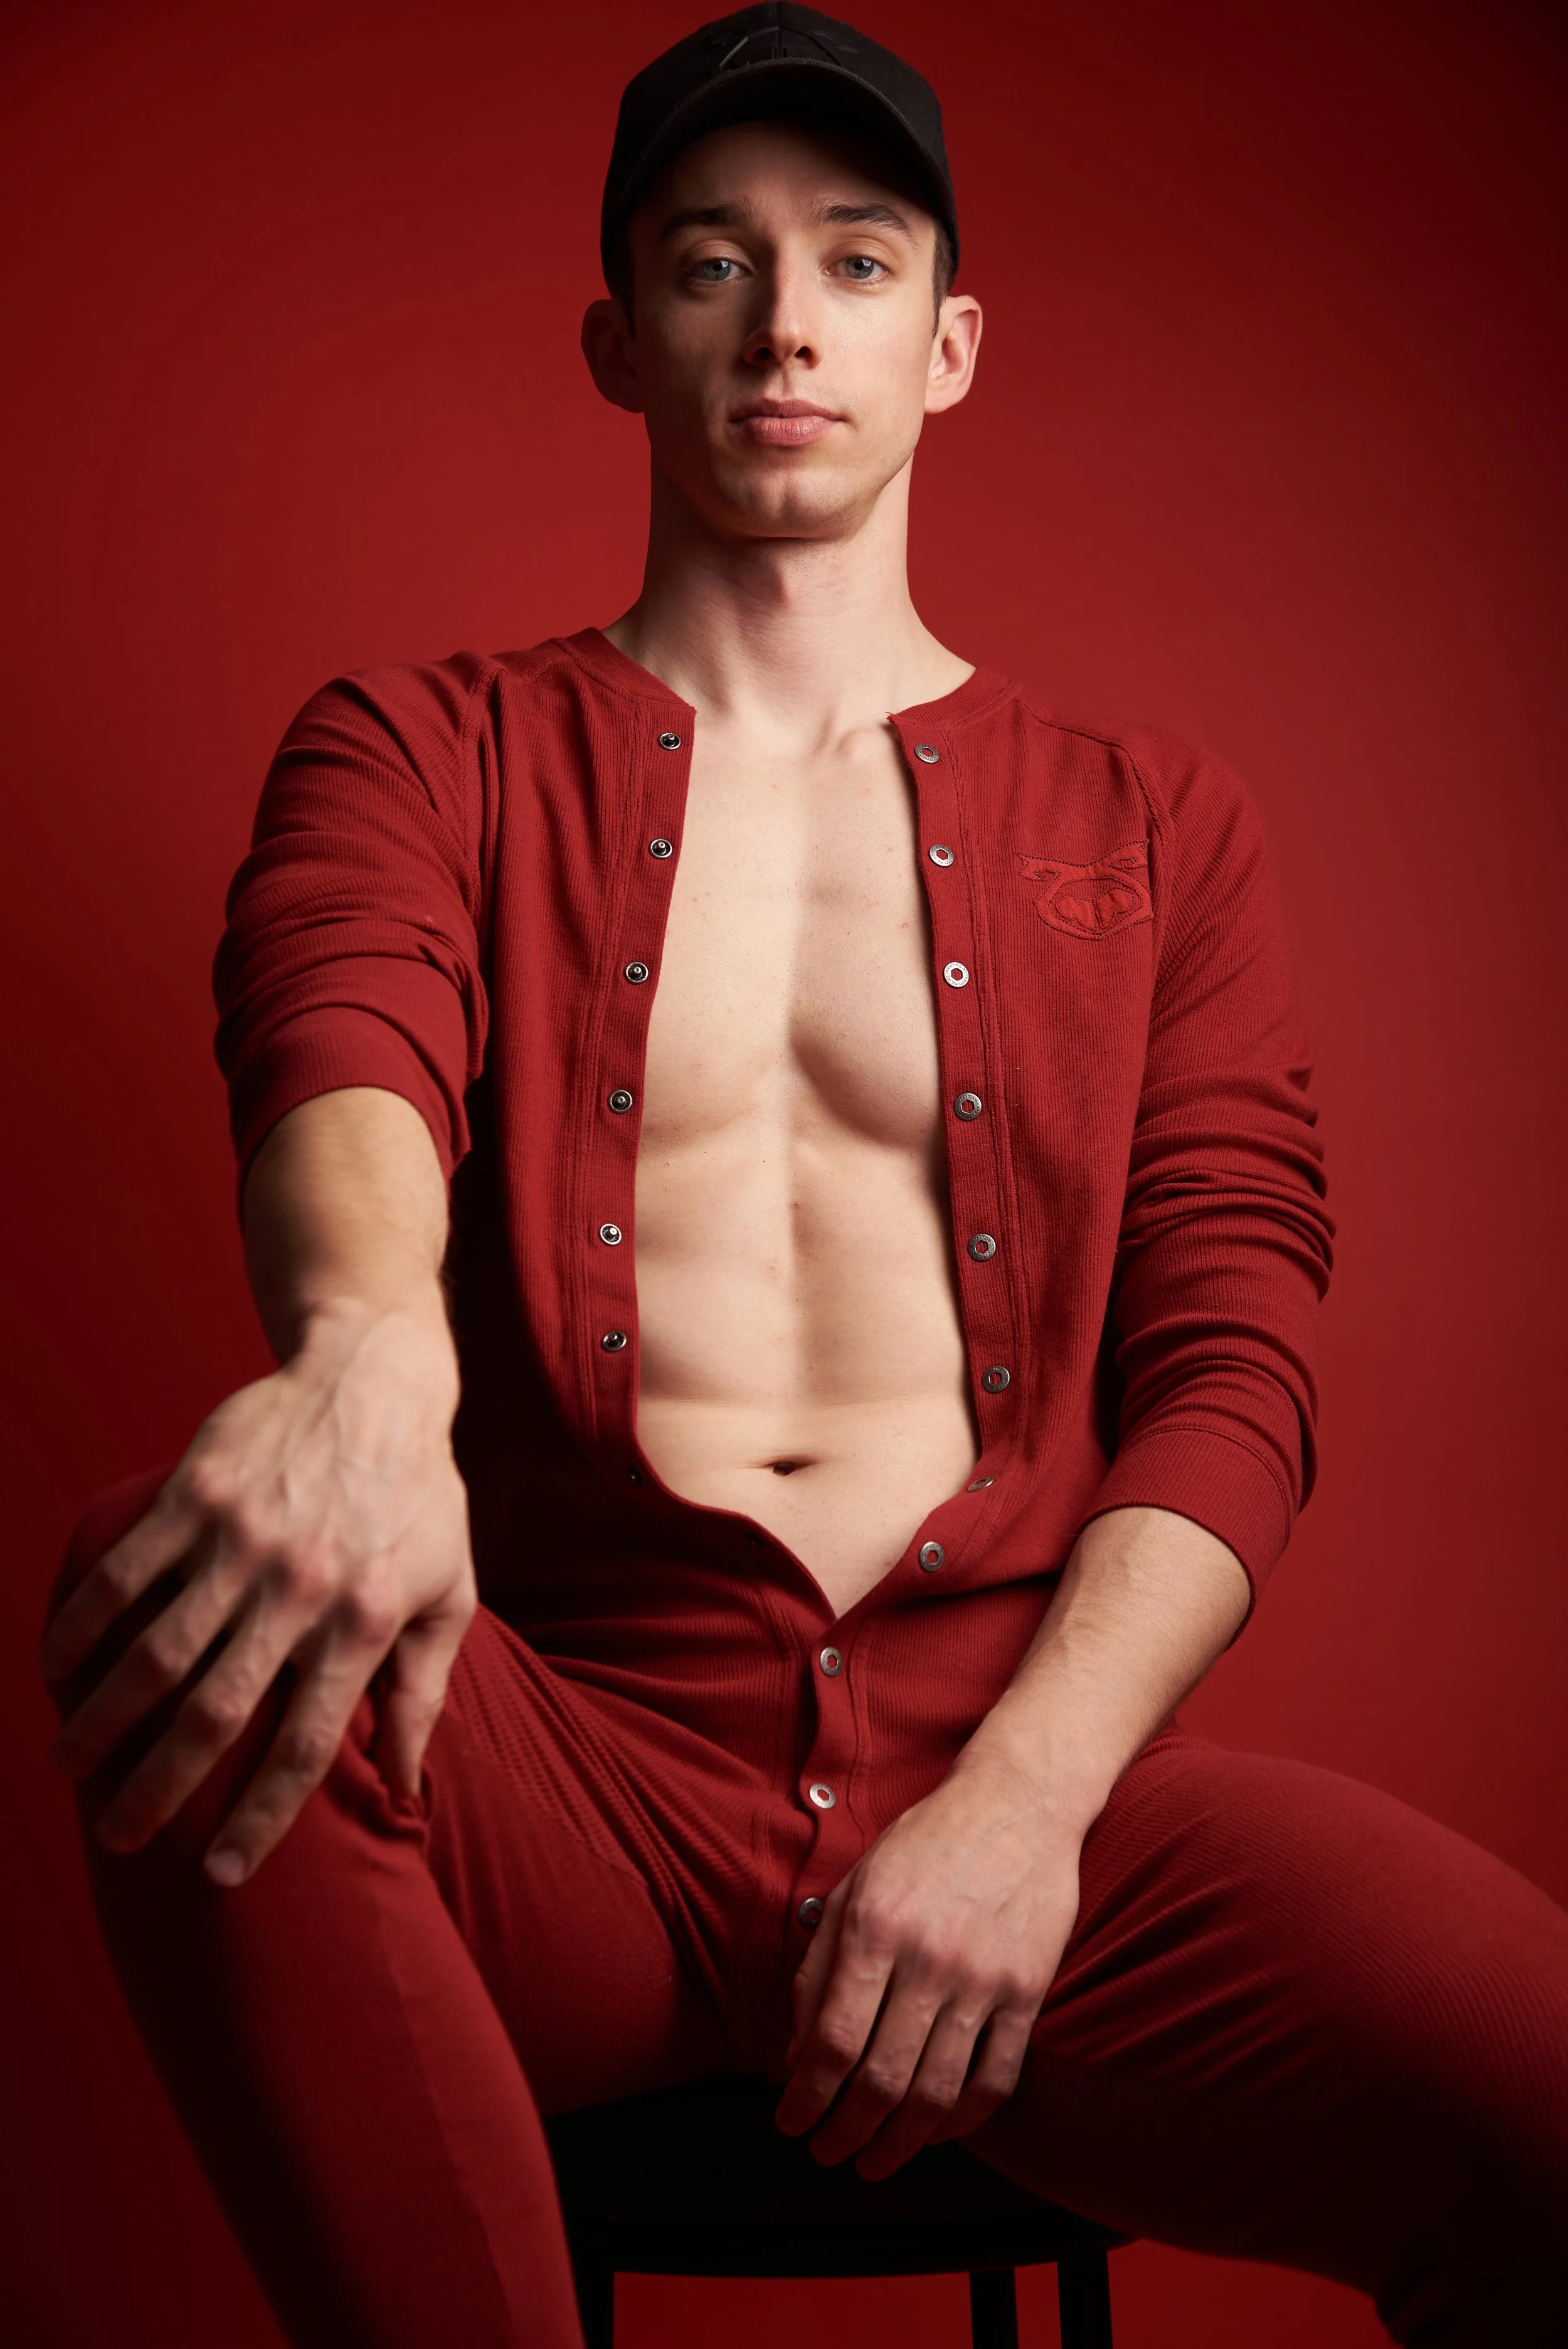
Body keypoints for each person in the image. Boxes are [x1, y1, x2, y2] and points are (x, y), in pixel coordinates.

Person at [36, 8, 1568, 2345]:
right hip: (574, 1783)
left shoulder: (1156, 829)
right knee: (179, 1608)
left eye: (853, 265)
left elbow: (1235, 1360)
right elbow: (336, 1025)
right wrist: (360, 1362)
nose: (782, 325)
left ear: (947, 344)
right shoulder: (423, 746)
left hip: (1035, 1788)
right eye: (709, 264)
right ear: (615, 337)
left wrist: (1027, 1806)